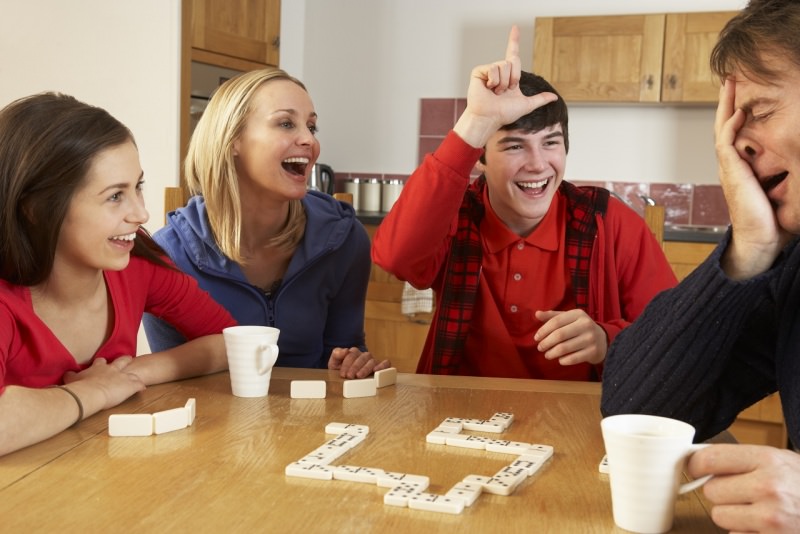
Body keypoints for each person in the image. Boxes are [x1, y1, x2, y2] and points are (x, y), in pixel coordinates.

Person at [372, 27, 676, 380]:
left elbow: (673, 333)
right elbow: (395, 256)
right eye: (515, 146)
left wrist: (608, 339)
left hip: (579, 417)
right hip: (460, 412)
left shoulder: (608, 221)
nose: (537, 164)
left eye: (551, 143)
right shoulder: (456, 216)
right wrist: (477, 121)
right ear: (479, 158)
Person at [601, 1, 800, 531]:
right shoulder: (792, 268)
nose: (734, 144)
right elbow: (638, 412)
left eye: (758, 111)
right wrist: (749, 251)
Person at [0, 92, 237, 456]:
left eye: (137, 187)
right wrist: (92, 391)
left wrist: (131, 374)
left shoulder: (137, 262)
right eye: (115, 196)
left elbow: (227, 343)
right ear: (36, 209)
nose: (141, 214)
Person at [142, 68, 389, 379]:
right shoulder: (168, 254)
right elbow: (172, 380)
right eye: (286, 123)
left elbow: (342, 349)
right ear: (232, 140)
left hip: (313, 419)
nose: (309, 140)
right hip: (214, 421)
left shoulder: (344, 239)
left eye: (312, 127)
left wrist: (351, 363)